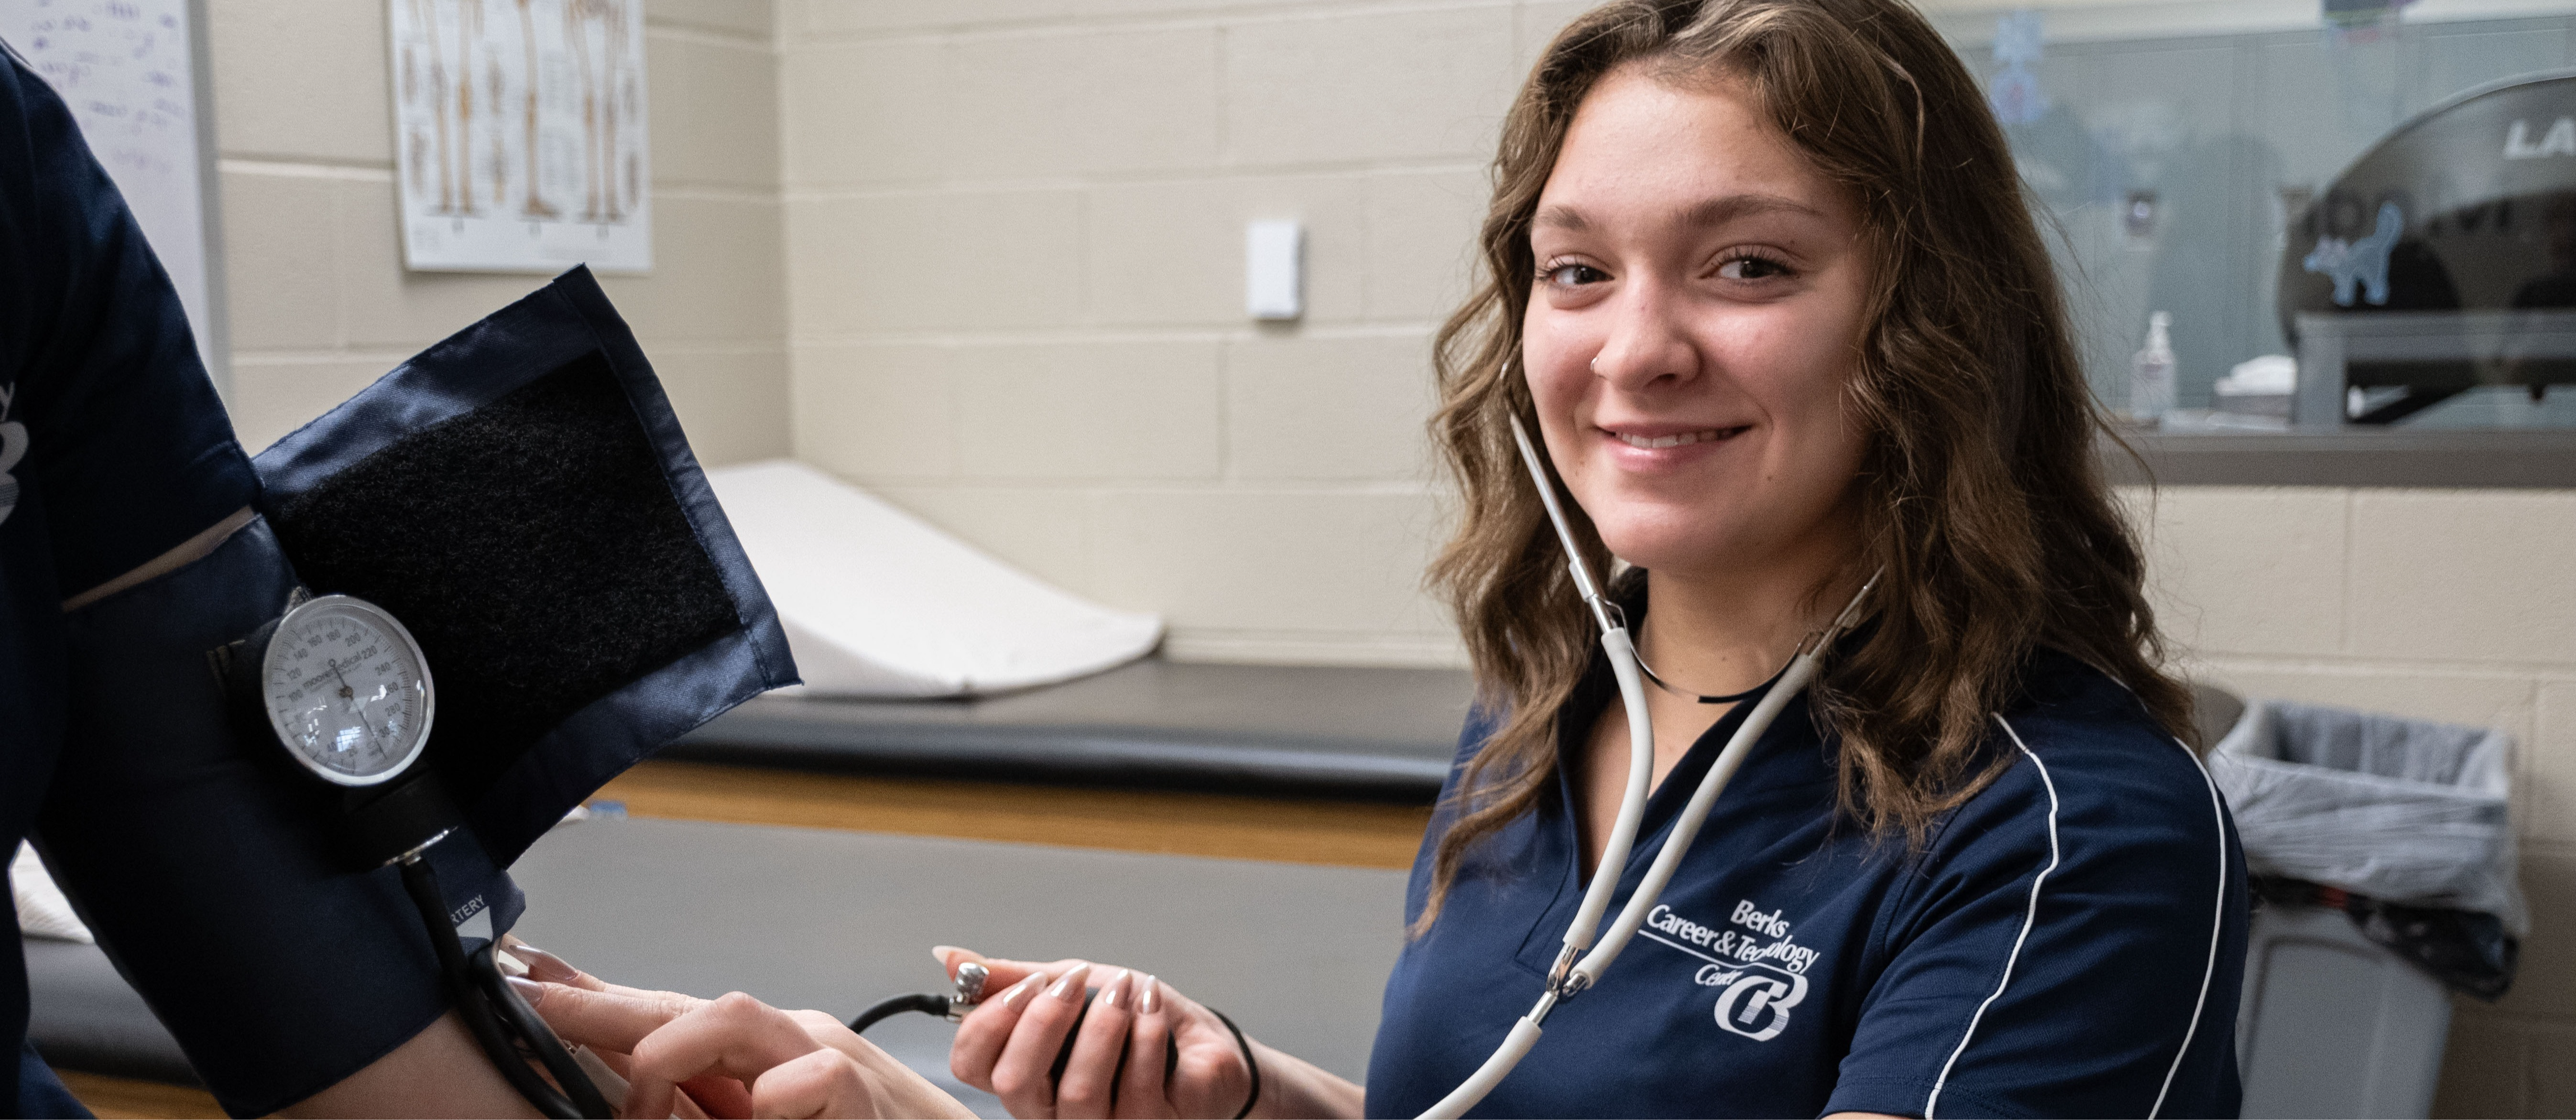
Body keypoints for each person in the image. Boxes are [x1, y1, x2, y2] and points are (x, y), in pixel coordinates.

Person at [517, 1, 2247, 1118]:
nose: (1632, 348)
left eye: (1744, 267)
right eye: (1575, 273)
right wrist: (1234, 1097)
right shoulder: (1540, 729)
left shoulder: (2065, 832)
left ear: (1927, 324)